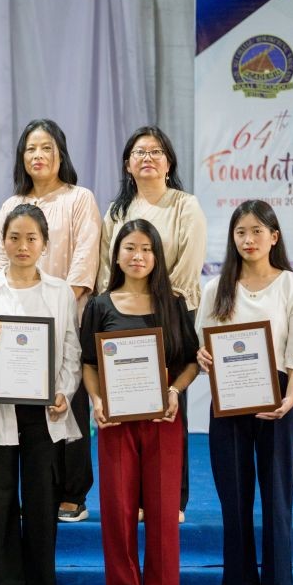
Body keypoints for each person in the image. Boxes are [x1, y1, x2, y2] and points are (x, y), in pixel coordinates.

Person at [196, 201, 293, 585]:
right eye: (240, 232)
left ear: (274, 236)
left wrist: (291, 398)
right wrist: (205, 358)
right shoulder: (216, 288)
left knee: (277, 501)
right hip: (228, 403)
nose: (248, 240)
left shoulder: (292, 285)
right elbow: (205, 345)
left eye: (256, 231)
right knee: (235, 500)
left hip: (278, 401)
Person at [0, 205, 82, 585]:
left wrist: (64, 392)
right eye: (14, 237)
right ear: (3, 242)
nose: (23, 246)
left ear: (45, 244)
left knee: (41, 504)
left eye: (32, 238)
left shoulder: (60, 291)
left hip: (43, 413)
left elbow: (70, 350)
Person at [81, 219, 199, 585]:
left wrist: (175, 392)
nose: (138, 256)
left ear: (157, 256)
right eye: (130, 248)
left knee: (165, 509)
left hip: (163, 417)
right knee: (117, 507)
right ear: (116, 254)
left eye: (147, 249)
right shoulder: (101, 305)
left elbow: (189, 362)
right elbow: (88, 363)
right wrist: (97, 399)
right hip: (115, 422)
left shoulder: (175, 303)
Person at [0, 119, 101, 523]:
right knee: (28, 408)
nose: (38, 156)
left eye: (46, 148)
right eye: (30, 149)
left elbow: (84, 261)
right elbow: (2, 262)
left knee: (68, 401)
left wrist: (54, 312)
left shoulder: (79, 198)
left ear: (60, 155)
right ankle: (36, 489)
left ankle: (73, 491)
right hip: (18, 325)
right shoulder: (10, 204)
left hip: (67, 317)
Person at [97, 125, 206, 521]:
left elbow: (189, 264)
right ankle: (135, 496)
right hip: (122, 314)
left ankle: (172, 497)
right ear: (127, 164)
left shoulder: (184, 205)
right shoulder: (116, 211)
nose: (147, 158)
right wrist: (108, 306)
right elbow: (104, 266)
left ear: (169, 162)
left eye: (156, 151)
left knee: (169, 407)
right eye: (139, 152)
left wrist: (159, 303)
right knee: (128, 409)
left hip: (172, 312)